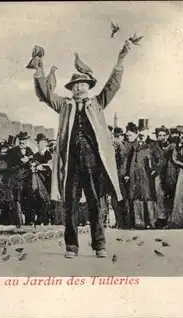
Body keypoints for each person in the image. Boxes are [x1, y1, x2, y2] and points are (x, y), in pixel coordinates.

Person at [32, 41, 130, 258]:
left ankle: (100, 246)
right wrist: (39, 69)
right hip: (71, 163)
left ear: (89, 86)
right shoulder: (64, 105)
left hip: (93, 162)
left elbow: (112, 86)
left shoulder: (97, 103)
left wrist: (120, 60)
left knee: (95, 203)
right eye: (75, 85)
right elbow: (47, 95)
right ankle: (71, 246)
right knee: (71, 205)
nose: (79, 87)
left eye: (83, 84)